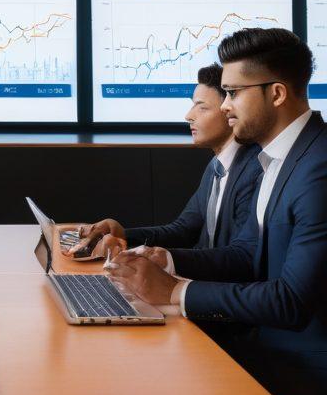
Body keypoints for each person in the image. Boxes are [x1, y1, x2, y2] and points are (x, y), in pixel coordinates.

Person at [109, 28, 327, 395]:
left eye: (231, 94)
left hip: (306, 389)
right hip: (273, 357)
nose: (224, 106)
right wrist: (160, 263)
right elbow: (247, 255)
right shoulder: (279, 159)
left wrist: (174, 293)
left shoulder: (318, 170)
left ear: (276, 93)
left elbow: (291, 301)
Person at [73, 63, 260, 258]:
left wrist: (160, 261)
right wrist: (122, 235)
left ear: (229, 110)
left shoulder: (253, 171)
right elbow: (183, 230)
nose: (189, 116)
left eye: (202, 107)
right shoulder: (217, 166)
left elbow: (238, 258)